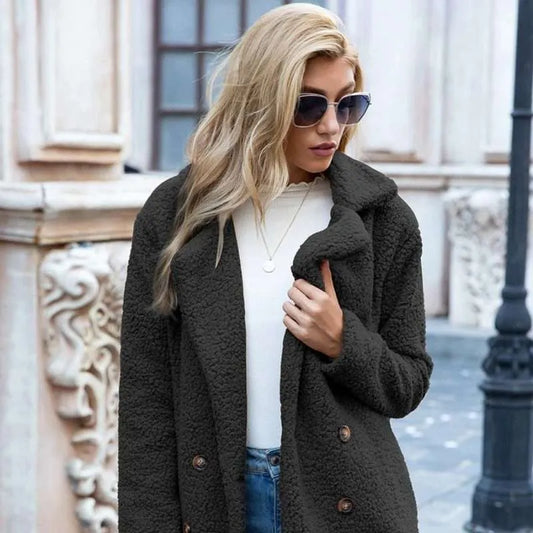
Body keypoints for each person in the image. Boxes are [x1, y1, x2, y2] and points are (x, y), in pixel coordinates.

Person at [117, 3, 433, 532]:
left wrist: (344, 342)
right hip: (218, 498)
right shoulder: (176, 215)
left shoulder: (383, 219)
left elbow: (408, 383)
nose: (331, 126)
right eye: (308, 106)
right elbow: (146, 403)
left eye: (347, 104)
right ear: (262, 103)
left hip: (345, 501)